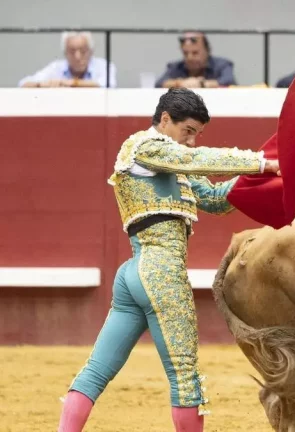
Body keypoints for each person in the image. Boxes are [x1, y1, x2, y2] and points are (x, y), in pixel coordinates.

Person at [56, 88, 279, 432]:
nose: (191, 141)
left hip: (134, 275)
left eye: (197, 134)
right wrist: (261, 161)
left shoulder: (174, 161)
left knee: (97, 371)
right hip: (160, 273)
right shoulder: (144, 147)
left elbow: (216, 199)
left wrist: (266, 176)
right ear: (164, 120)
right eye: (187, 130)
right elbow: (192, 159)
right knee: (185, 379)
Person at [18, 31, 116, 88]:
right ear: (65, 53)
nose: (77, 57)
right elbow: (23, 84)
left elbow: (109, 84)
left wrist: (73, 83)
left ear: (91, 51)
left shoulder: (103, 66)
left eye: (83, 51)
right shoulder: (56, 67)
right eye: (72, 51)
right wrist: (42, 85)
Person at [155, 31, 236, 88]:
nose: (190, 58)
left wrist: (201, 84)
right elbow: (159, 84)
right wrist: (180, 83)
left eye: (195, 53)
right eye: (185, 53)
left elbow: (229, 82)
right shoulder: (176, 67)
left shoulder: (222, 65)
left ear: (207, 51)